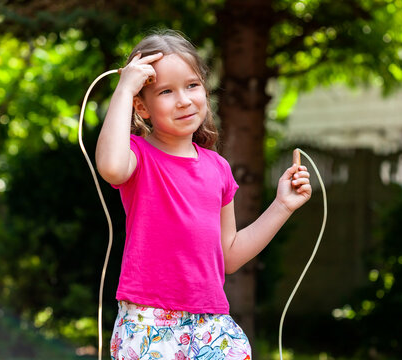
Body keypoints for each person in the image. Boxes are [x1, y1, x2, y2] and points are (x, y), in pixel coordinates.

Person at [95, 29, 311, 360]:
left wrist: (282, 205)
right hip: (149, 318)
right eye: (166, 91)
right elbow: (110, 166)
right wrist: (124, 88)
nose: (183, 99)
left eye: (192, 85)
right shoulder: (137, 155)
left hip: (210, 320)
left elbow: (230, 256)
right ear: (142, 106)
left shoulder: (218, 168)